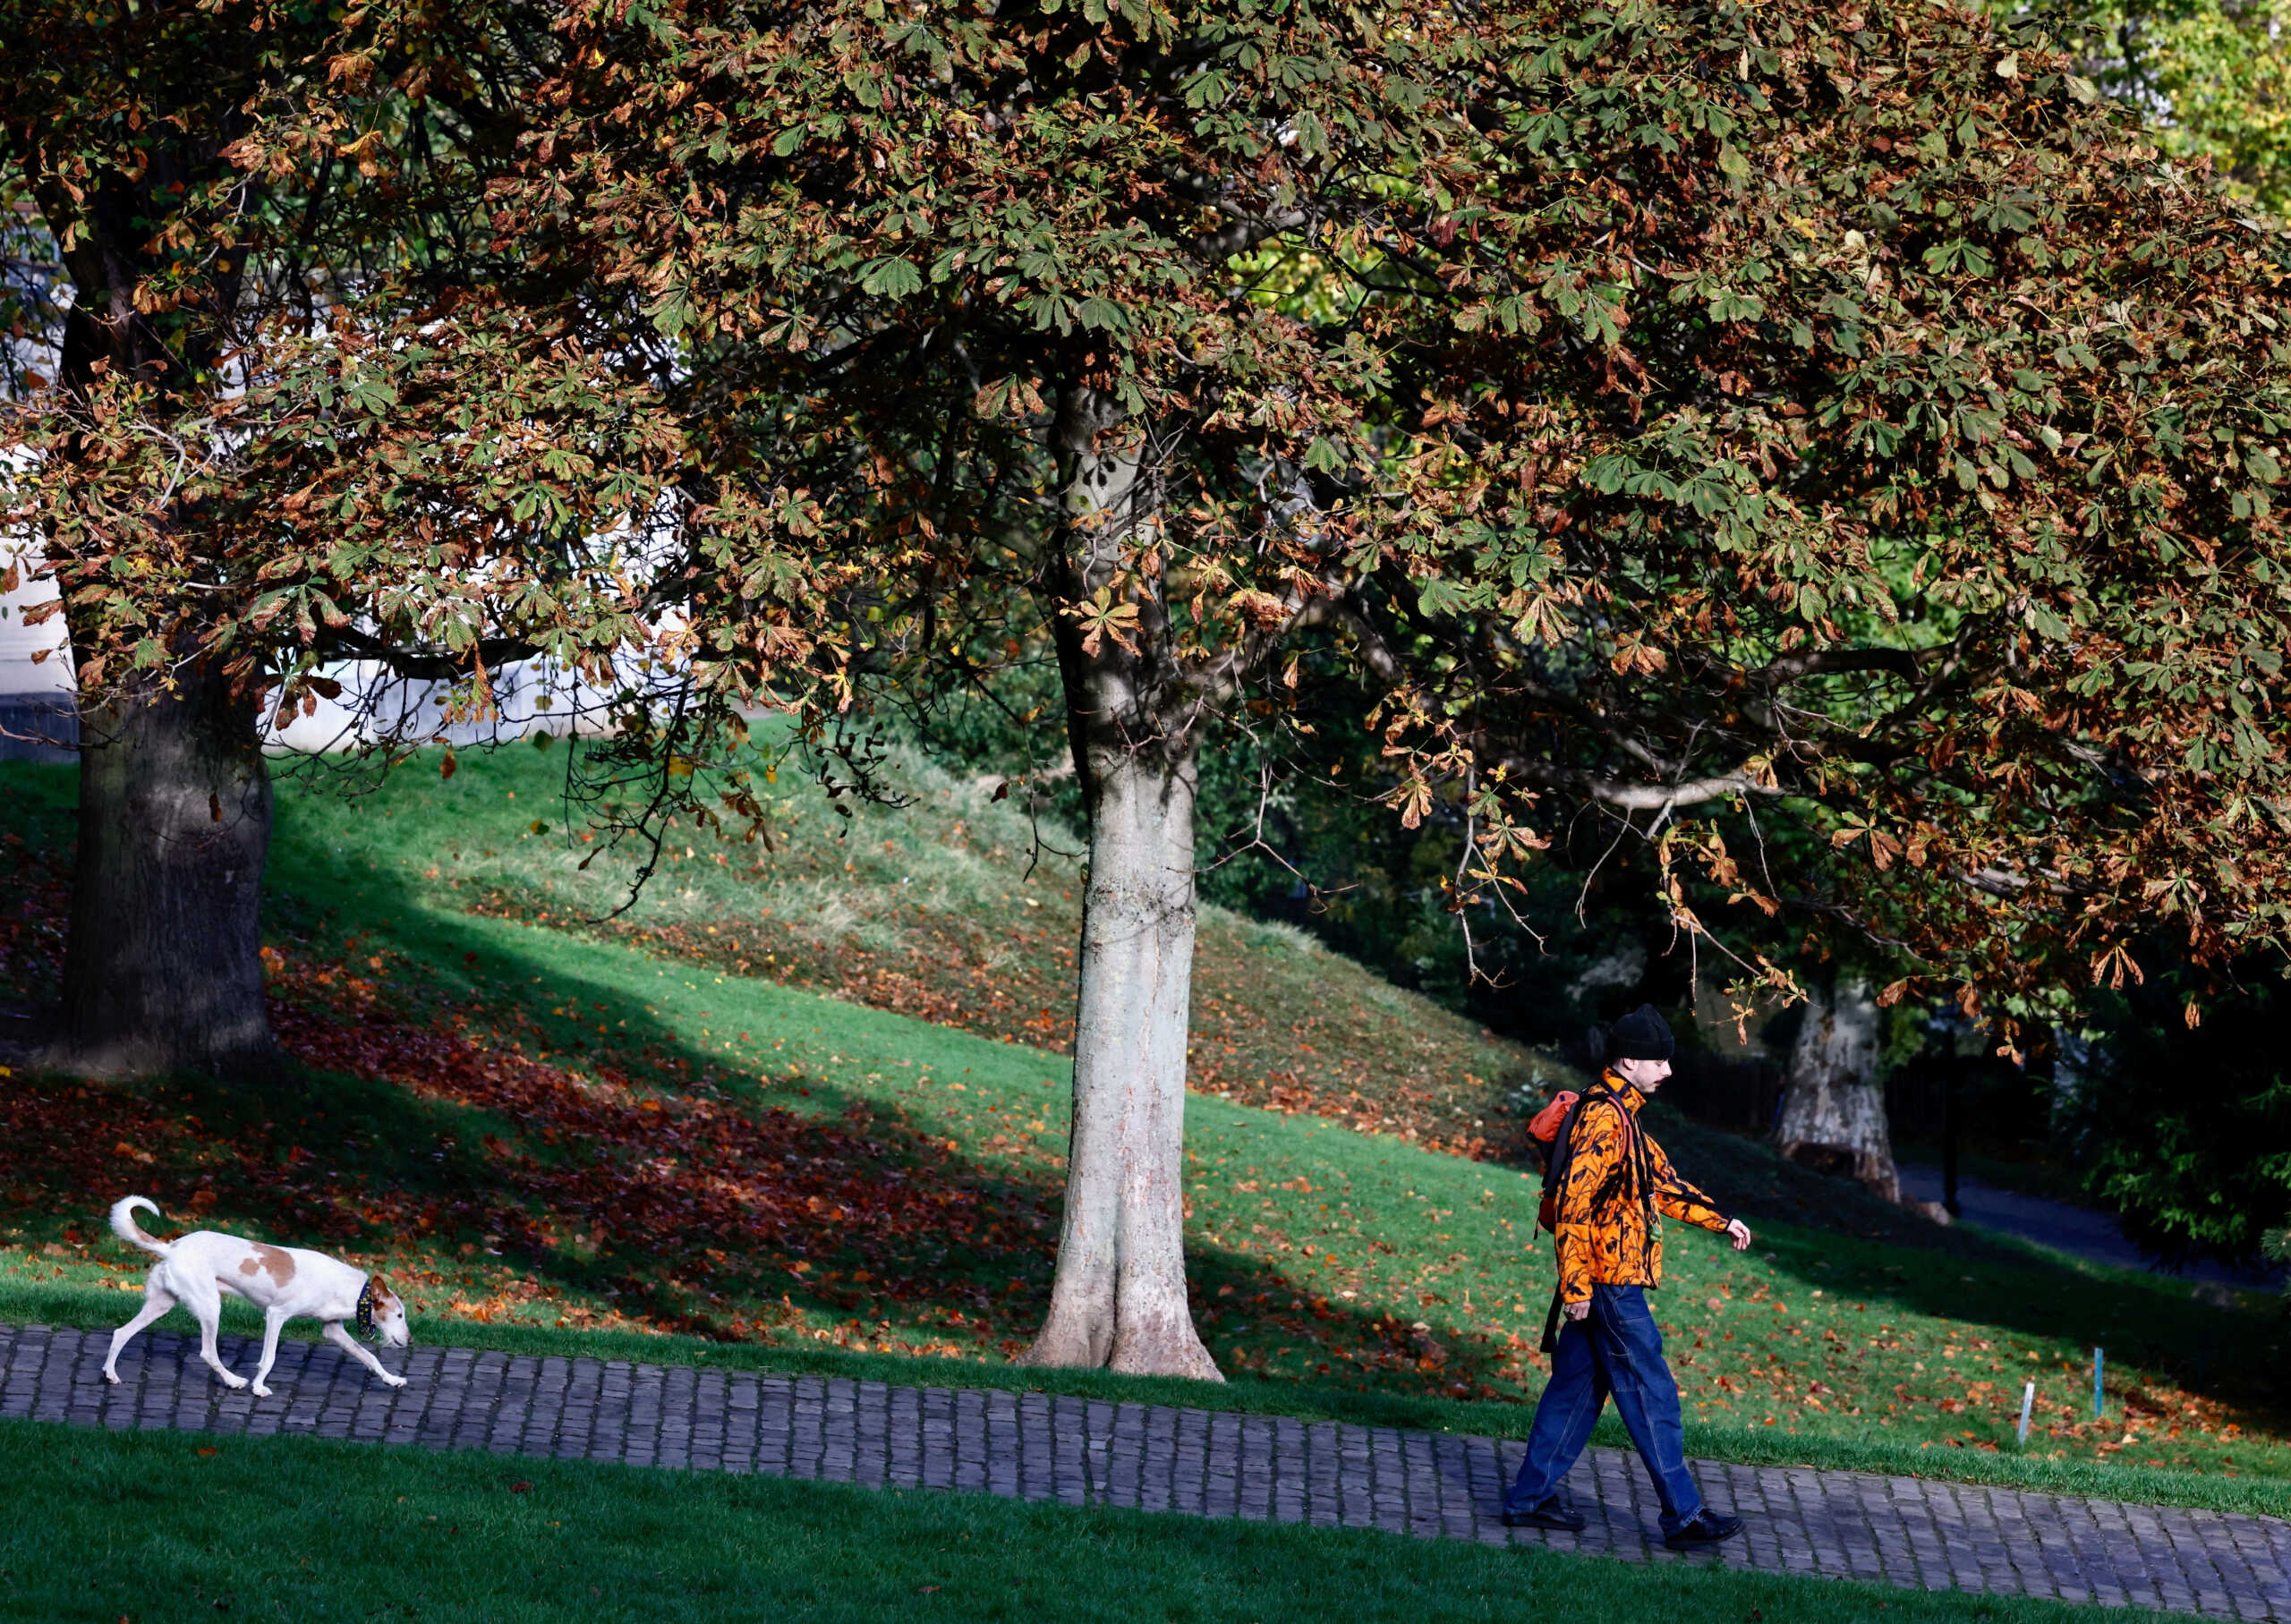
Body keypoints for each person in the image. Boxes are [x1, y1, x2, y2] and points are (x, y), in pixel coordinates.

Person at [1503, 1003, 1753, 1549]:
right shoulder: (1603, 1118)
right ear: (1626, 1060)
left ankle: (1529, 1499)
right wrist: (1575, 1289)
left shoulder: (1624, 1114)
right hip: (1609, 1283)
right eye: (1657, 1061)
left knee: (1574, 1390)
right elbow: (1572, 1204)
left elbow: (1660, 1185)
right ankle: (1683, 1517)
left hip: (1606, 1280)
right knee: (1651, 1391)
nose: (1667, 1070)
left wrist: (1723, 1219)